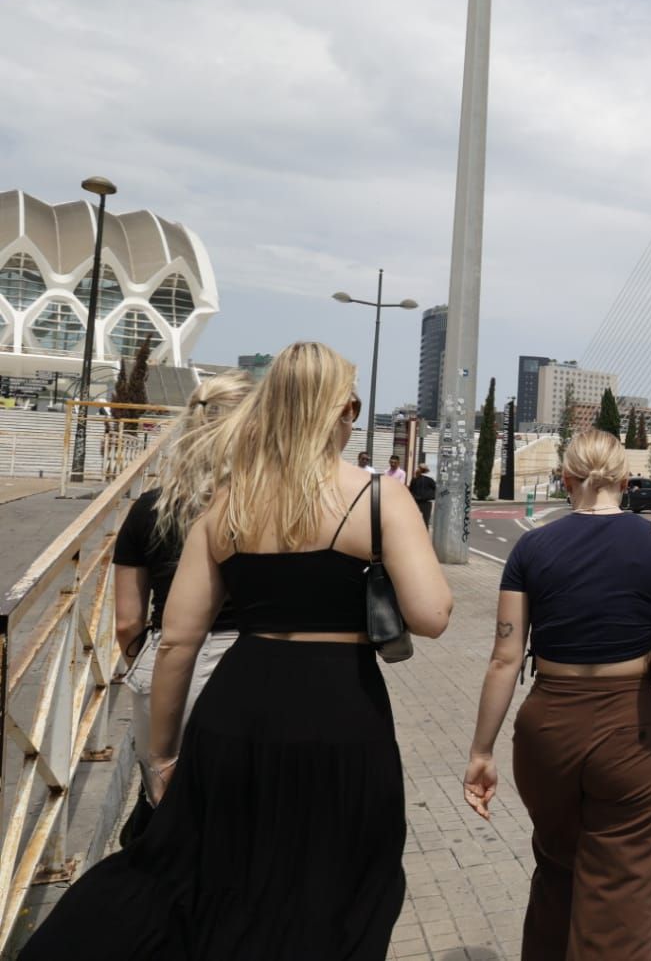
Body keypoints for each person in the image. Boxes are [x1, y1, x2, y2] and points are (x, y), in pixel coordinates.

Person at [20, 341, 454, 960]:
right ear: (344, 411)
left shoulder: (229, 502)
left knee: (222, 877)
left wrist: (163, 755)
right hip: (341, 712)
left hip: (238, 706)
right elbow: (432, 617)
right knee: (340, 882)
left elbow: (176, 640)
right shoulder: (377, 497)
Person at [463, 428, 651, 961]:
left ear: (566, 480)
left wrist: (481, 753)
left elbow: (505, 658)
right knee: (621, 885)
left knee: (557, 867)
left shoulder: (531, 547)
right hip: (629, 730)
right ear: (625, 482)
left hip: (546, 730)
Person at [113, 370, 254, 843]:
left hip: (162, 663)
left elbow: (128, 620)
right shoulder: (264, 510)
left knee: (165, 803)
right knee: (236, 812)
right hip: (245, 662)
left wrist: (145, 663)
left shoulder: (147, 509)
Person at [410, 463, 437, 528]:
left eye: (419, 468)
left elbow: (437, 489)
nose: (417, 469)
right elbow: (411, 490)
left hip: (425, 503)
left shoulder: (429, 479)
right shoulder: (415, 479)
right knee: (416, 521)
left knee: (424, 522)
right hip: (418, 502)